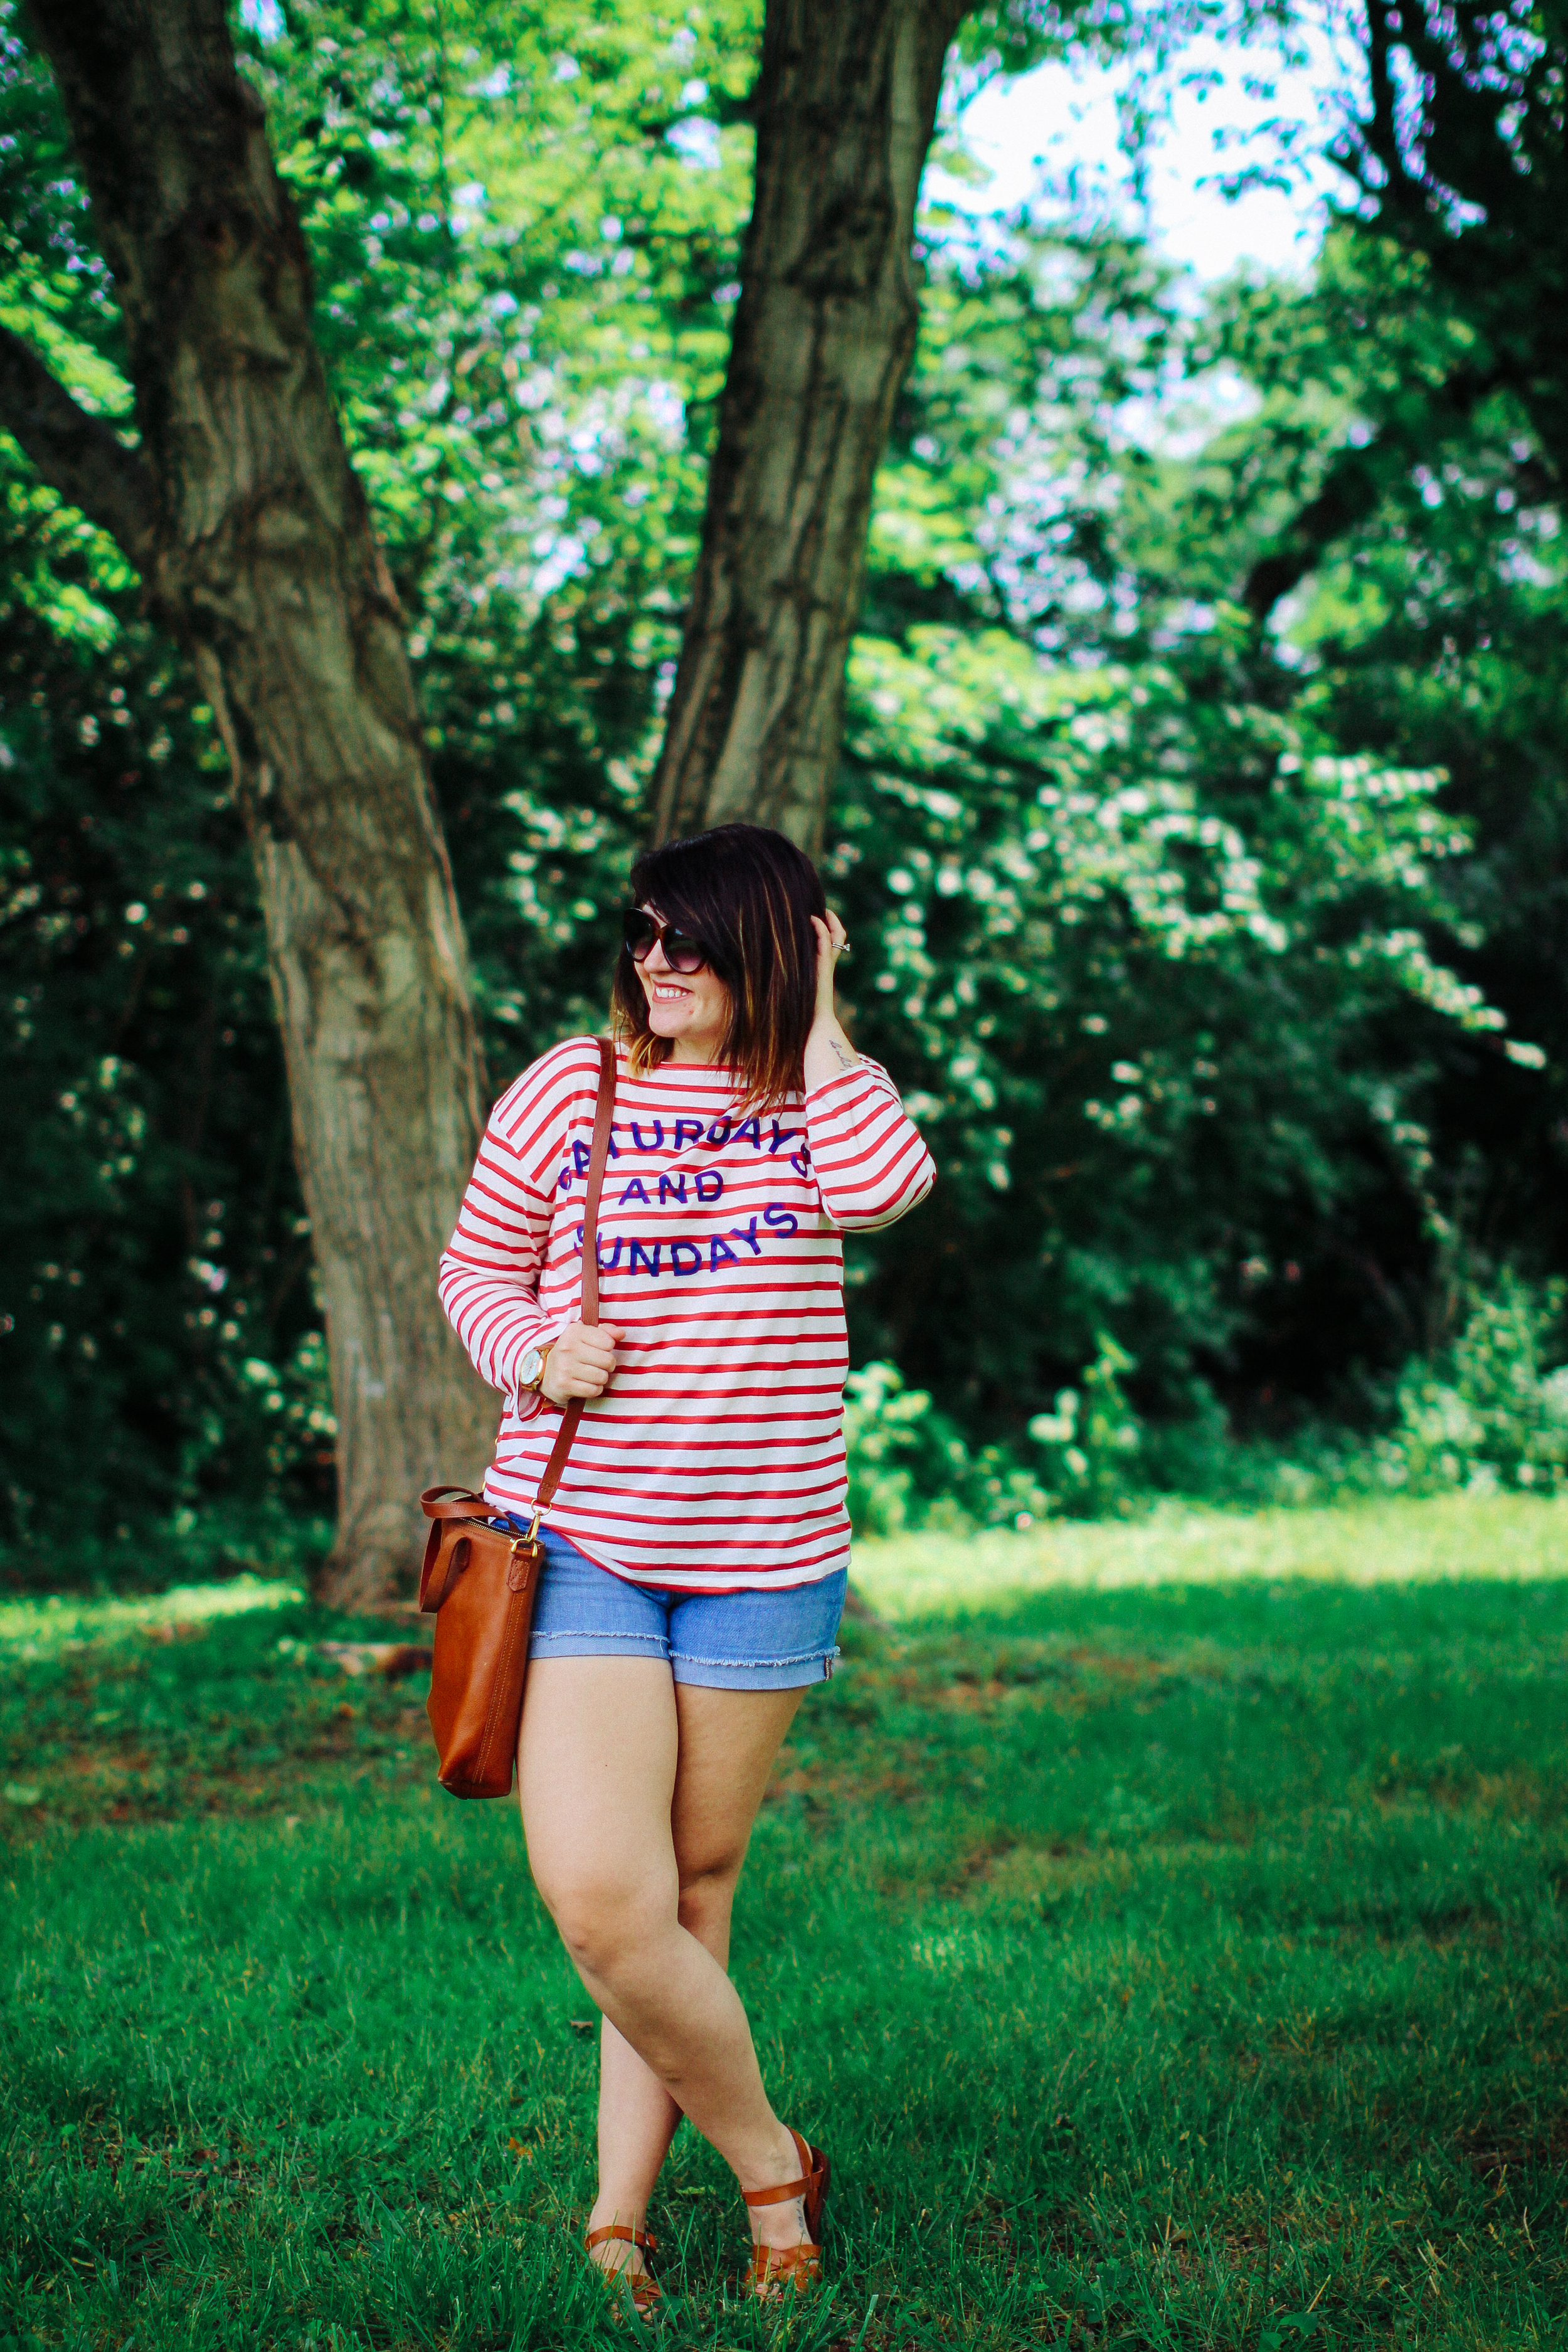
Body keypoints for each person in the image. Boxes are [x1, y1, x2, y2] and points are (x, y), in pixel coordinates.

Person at [438, 821, 935, 2314]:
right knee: (604, 1897)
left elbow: (884, 1190)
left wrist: (827, 1010)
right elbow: (475, 1270)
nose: (657, 959)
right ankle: (775, 2165)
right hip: (583, 1539)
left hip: (765, 1551)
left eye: (693, 938)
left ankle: (617, 2214)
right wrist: (536, 1347)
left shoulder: (815, 1099)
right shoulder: (571, 1085)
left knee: (691, 1892)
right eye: (644, 931)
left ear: (771, 946)